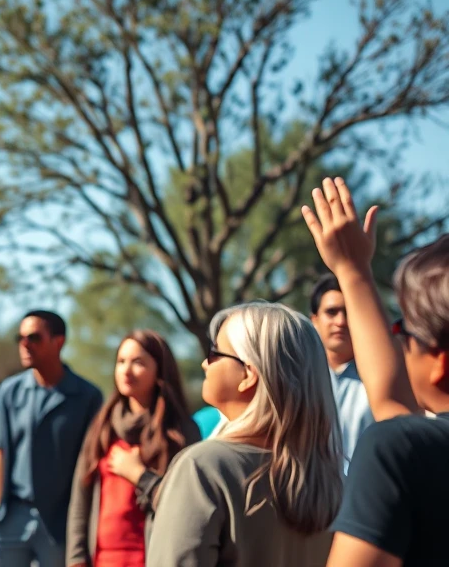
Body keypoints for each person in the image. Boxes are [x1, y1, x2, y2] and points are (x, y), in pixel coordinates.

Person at [301, 178, 448, 566]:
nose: (398, 341)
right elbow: (393, 404)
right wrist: (352, 271)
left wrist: (352, 269)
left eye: (402, 330)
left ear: (441, 362)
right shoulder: (413, 445)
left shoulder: (396, 449)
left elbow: (396, 416)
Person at [146, 302, 343, 566]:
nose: (205, 363)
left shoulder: (204, 468)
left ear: (248, 374)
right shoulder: (333, 481)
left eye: (215, 353)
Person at [66, 329, 200, 567]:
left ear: (160, 369)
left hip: (154, 558)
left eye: (138, 362)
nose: (126, 370)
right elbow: (81, 496)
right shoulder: (102, 425)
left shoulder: (181, 433)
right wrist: (76, 558)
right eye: (121, 361)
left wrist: (140, 475)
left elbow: (189, 506)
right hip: (102, 559)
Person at [0, 310, 103, 567]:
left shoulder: (87, 396)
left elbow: (92, 462)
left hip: (61, 522)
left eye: (34, 337)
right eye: (20, 337)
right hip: (11, 516)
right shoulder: (10, 391)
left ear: (59, 342)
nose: (24, 344)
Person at [309, 274, 374, 471]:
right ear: (314, 320)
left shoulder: (379, 381)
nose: (341, 321)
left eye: (348, 312)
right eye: (332, 312)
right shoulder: (296, 380)